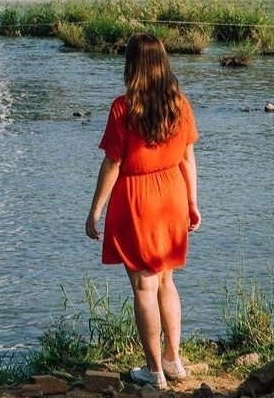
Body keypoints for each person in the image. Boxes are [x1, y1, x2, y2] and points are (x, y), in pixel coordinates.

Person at [85, 32, 200, 389]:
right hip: (173, 195)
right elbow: (188, 158)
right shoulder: (179, 104)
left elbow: (113, 163)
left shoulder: (124, 108)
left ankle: (154, 371)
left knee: (144, 286)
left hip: (139, 200)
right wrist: (193, 203)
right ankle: (173, 360)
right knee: (166, 280)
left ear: (132, 65)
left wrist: (95, 210)